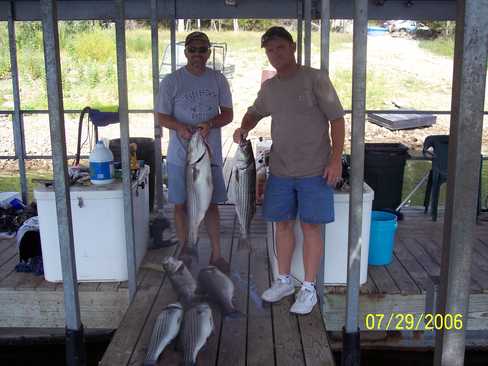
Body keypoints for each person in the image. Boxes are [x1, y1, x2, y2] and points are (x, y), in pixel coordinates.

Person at [233, 26, 345, 314]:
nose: (275, 55)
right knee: (281, 224)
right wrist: (244, 127)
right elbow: (255, 111)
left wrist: (335, 161)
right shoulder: (270, 87)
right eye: (270, 50)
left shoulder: (315, 78)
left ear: (292, 47)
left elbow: (337, 120)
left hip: (315, 169)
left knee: (310, 227)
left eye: (280, 48)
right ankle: (284, 281)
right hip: (280, 169)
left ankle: (308, 288)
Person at [156, 31, 233, 273]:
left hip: (210, 156)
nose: (197, 54)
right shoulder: (171, 81)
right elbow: (161, 116)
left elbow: (228, 114)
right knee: (180, 204)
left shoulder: (218, 79)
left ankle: (217, 254)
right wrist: (179, 127)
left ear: (209, 52)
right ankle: (186, 247)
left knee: (211, 205)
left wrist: (210, 124)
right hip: (181, 157)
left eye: (202, 50)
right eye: (193, 50)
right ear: (185, 52)